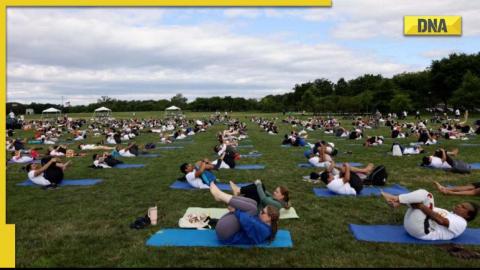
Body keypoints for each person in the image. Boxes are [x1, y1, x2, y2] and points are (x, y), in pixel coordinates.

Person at [381, 189, 478, 241]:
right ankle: (396, 202)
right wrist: (415, 205)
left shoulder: (462, 222)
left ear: (468, 215)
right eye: (460, 204)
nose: (458, 205)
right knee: (422, 200)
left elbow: (441, 221)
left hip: (423, 232)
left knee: (428, 195)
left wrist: (421, 206)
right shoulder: (447, 212)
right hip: (412, 227)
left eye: (463, 207)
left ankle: (395, 198)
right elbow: (420, 207)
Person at [209, 182, 280, 245]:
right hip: (225, 230)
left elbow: (246, 220)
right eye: (262, 210)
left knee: (253, 209)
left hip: (226, 235)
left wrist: (236, 210)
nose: (260, 212)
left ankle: (221, 196)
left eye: (263, 212)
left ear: (269, 218)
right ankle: (221, 196)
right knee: (254, 203)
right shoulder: (265, 224)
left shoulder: (264, 230)